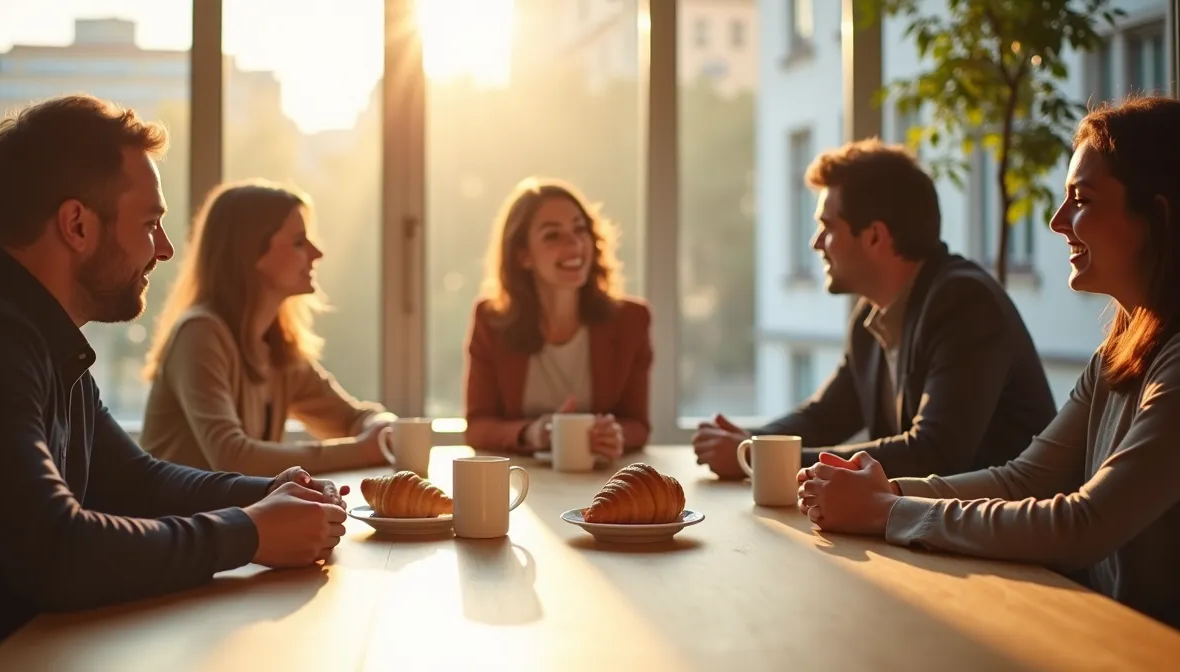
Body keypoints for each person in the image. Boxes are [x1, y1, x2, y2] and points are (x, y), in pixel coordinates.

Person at [0, 95, 347, 669]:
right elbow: (57, 553)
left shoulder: (34, 331)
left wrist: (269, 492)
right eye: (150, 224)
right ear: (76, 225)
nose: (166, 249)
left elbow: (131, 481)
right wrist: (249, 532)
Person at [798, 96, 1180, 628]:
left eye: (1081, 199)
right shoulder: (1117, 354)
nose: (1056, 221)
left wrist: (886, 509)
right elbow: (1024, 480)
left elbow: (1086, 522)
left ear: (1157, 217)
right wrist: (883, 495)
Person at [693, 139, 1055, 480]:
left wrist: (757, 457)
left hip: (1009, 540)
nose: (816, 243)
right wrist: (750, 441)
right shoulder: (873, 317)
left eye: (827, 227)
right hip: (938, 533)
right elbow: (824, 418)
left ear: (875, 236)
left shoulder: (964, 303)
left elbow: (934, 453)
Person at [140, 180, 394, 476]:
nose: (317, 253)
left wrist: (383, 426)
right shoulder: (200, 334)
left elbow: (352, 418)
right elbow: (233, 458)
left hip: (229, 519)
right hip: (174, 521)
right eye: (299, 242)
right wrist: (363, 450)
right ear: (252, 253)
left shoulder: (276, 346)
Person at [464, 177, 651, 459]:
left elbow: (638, 425)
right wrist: (533, 433)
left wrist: (613, 434)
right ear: (523, 256)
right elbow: (477, 427)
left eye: (580, 229)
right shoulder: (490, 321)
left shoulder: (632, 320)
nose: (575, 244)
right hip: (521, 485)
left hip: (603, 479)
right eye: (553, 235)